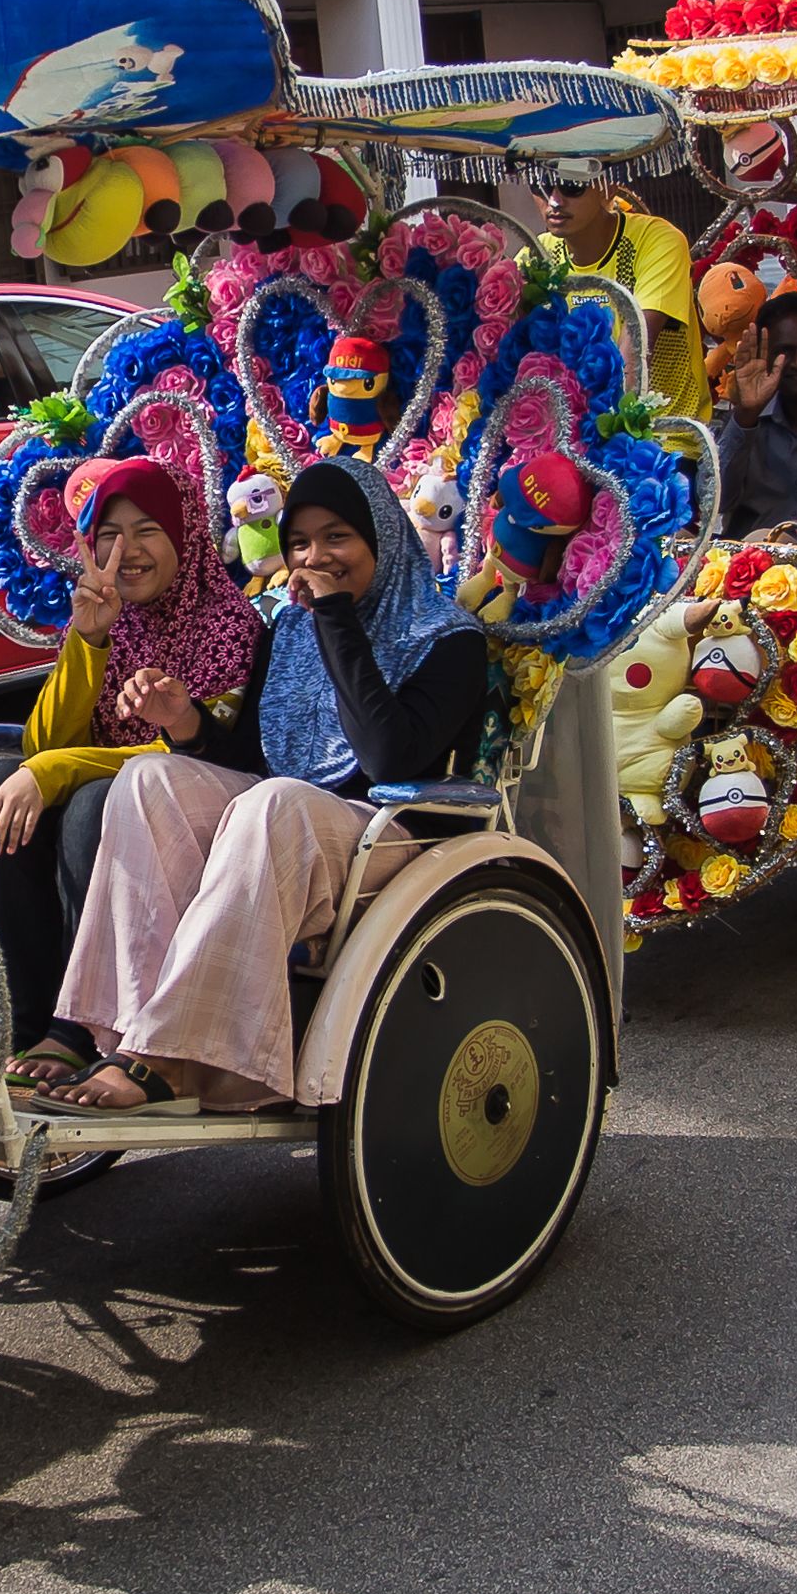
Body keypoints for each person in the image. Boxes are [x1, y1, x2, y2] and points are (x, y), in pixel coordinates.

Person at [53, 458, 493, 1112]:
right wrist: (184, 720)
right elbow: (255, 752)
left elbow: (390, 755)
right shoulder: (289, 629)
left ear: (382, 535)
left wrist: (338, 620)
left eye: (337, 536)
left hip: (393, 839)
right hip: (289, 823)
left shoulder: (449, 639)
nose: (316, 556)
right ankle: (126, 1033)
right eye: (300, 543)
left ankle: (169, 1059)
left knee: (274, 802)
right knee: (152, 778)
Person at [0, 456, 265, 1101]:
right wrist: (88, 640)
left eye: (147, 529)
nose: (125, 551)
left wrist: (54, 770)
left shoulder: (228, 626)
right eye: (107, 533)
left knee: (91, 802)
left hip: (186, 812)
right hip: (114, 791)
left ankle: (81, 1028)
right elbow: (46, 743)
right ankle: (25, 1016)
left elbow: (187, 756)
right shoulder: (110, 616)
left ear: (183, 533)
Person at [539, 161, 707, 421]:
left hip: (664, 437)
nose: (554, 200)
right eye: (541, 185)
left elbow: (632, 357)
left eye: (572, 186)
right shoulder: (537, 256)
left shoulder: (657, 240)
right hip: (573, 435)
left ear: (608, 186)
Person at [716, 288, 797, 534]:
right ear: (765, 357)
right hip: (749, 561)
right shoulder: (746, 420)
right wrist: (746, 414)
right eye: (785, 352)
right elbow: (716, 501)